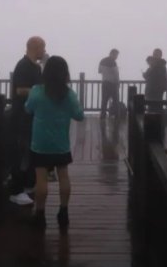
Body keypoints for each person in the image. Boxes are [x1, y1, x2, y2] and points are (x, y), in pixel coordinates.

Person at [25, 55, 84, 229]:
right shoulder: (68, 93)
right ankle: (64, 212)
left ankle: (40, 214)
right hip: (61, 144)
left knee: (41, 178)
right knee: (63, 175)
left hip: (40, 143)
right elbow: (79, 115)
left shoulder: (37, 90)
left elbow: (28, 108)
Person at [9, 36, 46, 206]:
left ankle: (28, 184)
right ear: (35, 47)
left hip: (32, 116)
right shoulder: (23, 65)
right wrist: (40, 92)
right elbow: (20, 90)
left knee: (31, 150)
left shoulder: (36, 67)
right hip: (21, 116)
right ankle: (15, 191)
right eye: (42, 48)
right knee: (20, 152)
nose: (44, 51)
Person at [98, 49, 120, 119]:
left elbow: (99, 71)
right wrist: (118, 83)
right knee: (115, 100)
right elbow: (116, 74)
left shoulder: (102, 60)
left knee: (104, 100)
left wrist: (106, 73)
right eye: (116, 55)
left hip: (105, 83)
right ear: (112, 54)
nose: (116, 57)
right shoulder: (113, 62)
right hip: (113, 84)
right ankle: (116, 115)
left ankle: (103, 115)